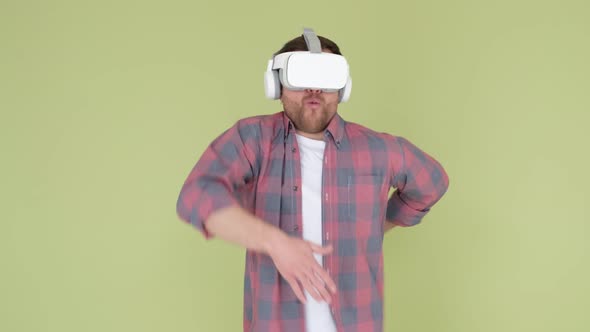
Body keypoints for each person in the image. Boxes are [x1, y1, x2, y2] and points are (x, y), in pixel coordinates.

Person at [176, 28, 449, 332]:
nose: (314, 89)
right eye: (302, 75)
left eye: (325, 77)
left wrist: (378, 224)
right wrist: (276, 243)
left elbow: (433, 182)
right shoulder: (252, 139)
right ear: (277, 84)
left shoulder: (378, 149)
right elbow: (196, 195)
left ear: (342, 88)